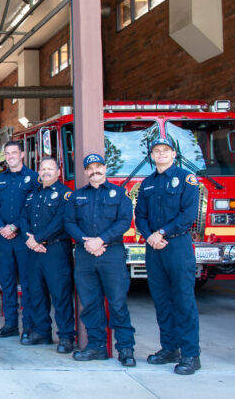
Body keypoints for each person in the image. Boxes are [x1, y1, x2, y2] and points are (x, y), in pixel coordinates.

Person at [134, 137, 201, 375]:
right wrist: (150, 235)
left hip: (177, 246)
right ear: (151, 156)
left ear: (173, 153)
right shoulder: (148, 183)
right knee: (162, 301)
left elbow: (188, 214)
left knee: (183, 300)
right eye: (156, 151)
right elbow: (139, 214)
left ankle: (191, 354)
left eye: (165, 150)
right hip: (154, 248)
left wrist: (161, 232)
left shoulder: (186, 179)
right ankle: (169, 348)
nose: (161, 154)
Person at [64, 153, 136, 367]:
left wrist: (101, 240)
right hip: (86, 254)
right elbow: (69, 222)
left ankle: (125, 349)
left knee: (117, 302)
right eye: (90, 168)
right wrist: (86, 242)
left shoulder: (120, 194)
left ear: (105, 168)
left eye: (98, 166)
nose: (94, 170)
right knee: (90, 303)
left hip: (111, 253)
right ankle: (97, 346)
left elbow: (124, 221)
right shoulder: (76, 197)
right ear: (86, 172)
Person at [18, 157, 76, 353]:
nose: (46, 172)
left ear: (58, 172)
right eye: (43, 169)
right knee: (37, 293)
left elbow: (61, 221)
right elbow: (23, 218)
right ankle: (42, 332)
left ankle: (66, 337)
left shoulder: (65, 194)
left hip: (56, 250)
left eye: (50, 169)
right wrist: (30, 239)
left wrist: (38, 239)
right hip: (34, 251)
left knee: (60, 294)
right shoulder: (32, 194)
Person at [0, 141, 37, 339]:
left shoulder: (33, 178)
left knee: (27, 283)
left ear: (22, 154)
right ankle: (10, 324)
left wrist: (14, 226)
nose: (10, 157)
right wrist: (2, 227)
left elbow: (32, 208)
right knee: (7, 282)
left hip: (24, 238)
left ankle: (28, 327)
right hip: (5, 238)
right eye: (7, 154)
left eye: (13, 153)